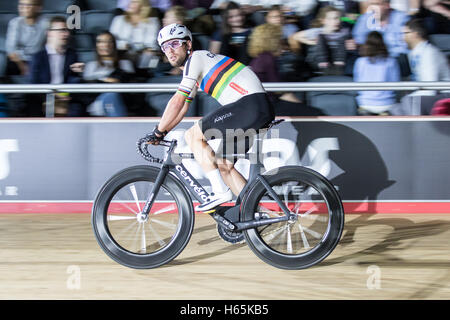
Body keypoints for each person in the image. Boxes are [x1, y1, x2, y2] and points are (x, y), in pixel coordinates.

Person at [148, 23, 275, 211]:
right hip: (254, 108)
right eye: (165, 47)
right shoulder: (195, 68)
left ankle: (219, 192)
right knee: (225, 165)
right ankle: (257, 214)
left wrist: (158, 131)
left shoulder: (196, 58)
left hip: (250, 105)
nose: (170, 50)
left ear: (188, 44)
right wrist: (163, 131)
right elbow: (182, 108)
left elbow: (177, 100)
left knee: (192, 136)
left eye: (175, 43)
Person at [28, 16, 85, 116]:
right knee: (32, 106)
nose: (66, 34)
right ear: (49, 33)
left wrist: (78, 74)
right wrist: (52, 96)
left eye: (67, 30)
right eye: (62, 30)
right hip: (44, 98)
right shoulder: (38, 57)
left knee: (78, 107)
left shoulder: (72, 55)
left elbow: (73, 80)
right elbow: (34, 83)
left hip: (66, 98)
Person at [398, 18, 450, 114]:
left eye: (405, 33)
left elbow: (430, 88)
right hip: (432, 95)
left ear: (415, 34)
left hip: (445, 96)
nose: (402, 37)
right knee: (399, 106)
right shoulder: (414, 53)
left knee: (410, 102)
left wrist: (409, 98)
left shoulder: (429, 53)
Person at [82, 31, 136, 117]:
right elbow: (89, 89)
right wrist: (109, 81)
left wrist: (100, 80)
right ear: (96, 45)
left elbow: (126, 84)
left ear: (114, 44)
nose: (105, 45)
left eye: (109, 41)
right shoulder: (90, 65)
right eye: (101, 42)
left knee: (112, 96)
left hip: (121, 100)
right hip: (95, 102)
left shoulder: (125, 63)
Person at [292, 6, 356, 75]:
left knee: (343, 38)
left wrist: (352, 45)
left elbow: (352, 45)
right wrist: (311, 42)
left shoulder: (344, 32)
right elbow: (295, 37)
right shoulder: (317, 31)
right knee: (321, 37)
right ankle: (324, 66)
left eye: (337, 18)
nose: (336, 21)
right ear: (323, 21)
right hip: (319, 61)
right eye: (331, 19)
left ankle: (339, 65)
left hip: (338, 61)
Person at [353, 31, 401, 115]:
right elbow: (396, 85)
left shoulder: (360, 62)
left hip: (365, 103)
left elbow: (357, 84)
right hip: (387, 104)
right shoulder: (391, 61)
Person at [110, 0, 160, 68]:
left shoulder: (152, 22)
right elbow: (111, 39)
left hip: (142, 54)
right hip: (123, 52)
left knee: (150, 54)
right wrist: (123, 45)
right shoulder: (118, 19)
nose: (130, 4)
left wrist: (147, 49)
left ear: (143, 6)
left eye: (134, 2)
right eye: (130, 2)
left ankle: (144, 74)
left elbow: (152, 43)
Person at [5, 0, 49, 78]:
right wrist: (23, 67)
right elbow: (10, 50)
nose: (23, 8)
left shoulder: (45, 24)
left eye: (28, 5)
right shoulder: (15, 23)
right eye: (21, 4)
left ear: (38, 8)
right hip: (18, 61)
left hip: (37, 60)